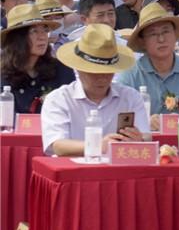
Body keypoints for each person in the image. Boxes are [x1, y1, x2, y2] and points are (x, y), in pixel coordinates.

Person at [39, 23, 149, 156]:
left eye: (108, 71)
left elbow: (146, 137)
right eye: (94, 72)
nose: (102, 78)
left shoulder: (130, 97)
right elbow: (57, 145)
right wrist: (98, 146)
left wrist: (138, 140)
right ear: (78, 69)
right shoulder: (59, 99)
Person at [117, 3, 179, 114]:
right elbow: (121, 118)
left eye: (166, 31)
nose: (161, 39)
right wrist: (144, 121)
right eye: (153, 34)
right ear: (142, 41)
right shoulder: (130, 77)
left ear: (175, 35)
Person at [1, 4, 74, 113]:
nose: (42, 36)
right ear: (17, 38)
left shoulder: (61, 70)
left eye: (45, 30)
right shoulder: (3, 75)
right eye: (34, 31)